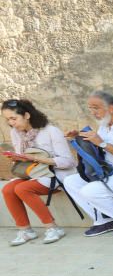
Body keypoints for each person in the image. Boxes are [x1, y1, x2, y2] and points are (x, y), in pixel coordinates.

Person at [61, 91, 113, 239]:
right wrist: (79, 137)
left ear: (111, 109)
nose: (93, 112)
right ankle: (104, 220)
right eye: (90, 108)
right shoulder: (104, 126)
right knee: (70, 181)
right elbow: (97, 148)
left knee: (90, 191)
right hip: (109, 171)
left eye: (96, 108)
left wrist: (101, 143)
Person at [2, 98, 75, 245]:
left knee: (22, 188)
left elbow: (68, 161)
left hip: (55, 174)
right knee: (8, 189)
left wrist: (36, 158)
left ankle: (53, 228)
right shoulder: (16, 133)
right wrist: (17, 158)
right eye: (7, 119)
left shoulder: (51, 131)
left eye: (13, 118)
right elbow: (25, 158)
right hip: (32, 173)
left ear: (27, 115)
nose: (11, 123)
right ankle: (25, 230)